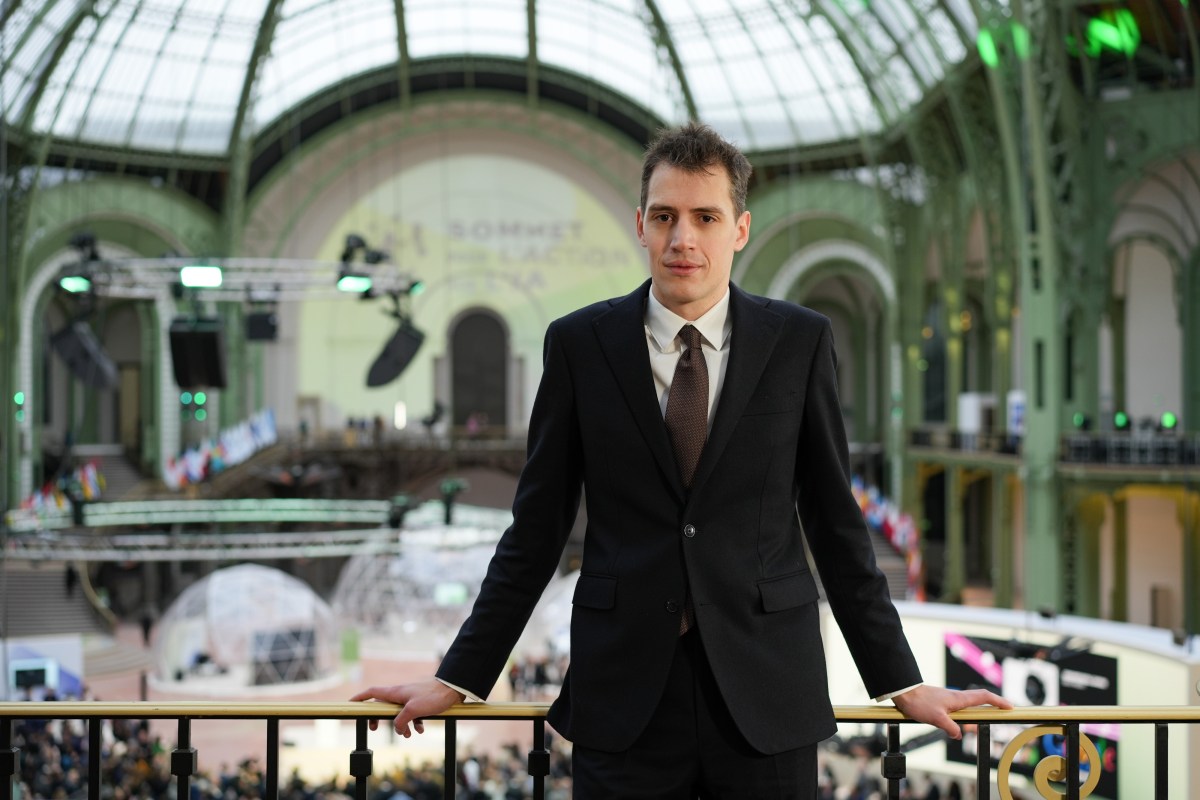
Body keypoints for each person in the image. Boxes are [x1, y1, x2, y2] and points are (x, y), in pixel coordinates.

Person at [352, 122, 1010, 798]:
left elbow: (836, 523)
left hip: (766, 690)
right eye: (664, 216)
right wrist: (458, 675)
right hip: (625, 696)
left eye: (705, 217)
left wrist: (900, 680)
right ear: (640, 223)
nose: (682, 238)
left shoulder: (799, 342)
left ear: (740, 228)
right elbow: (536, 529)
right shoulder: (579, 345)